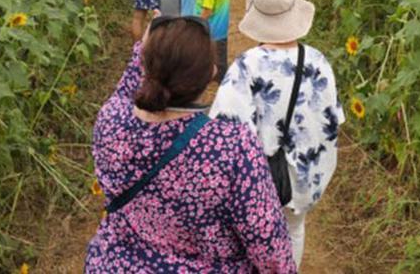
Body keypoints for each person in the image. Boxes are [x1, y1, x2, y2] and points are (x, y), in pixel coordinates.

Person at [86, 15, 297, 273]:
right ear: (211, 73)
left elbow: (125, 90)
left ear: (146, 65)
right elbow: (269, 246)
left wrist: (143, 47)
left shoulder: (111, 121)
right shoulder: (230, 147)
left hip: (116, 265)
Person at [210, 0, 345, 269]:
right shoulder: (319, 61)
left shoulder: (247, 65)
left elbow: (224, 129)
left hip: (258, 180)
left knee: (251, 240)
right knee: (294, 229)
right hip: (307, 174)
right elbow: (334, 119)